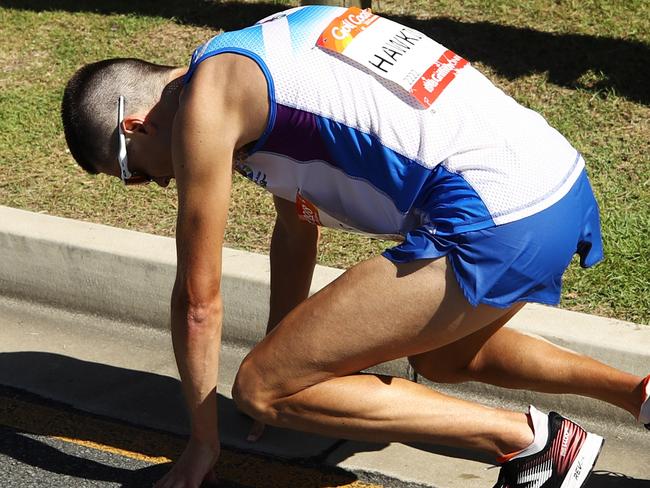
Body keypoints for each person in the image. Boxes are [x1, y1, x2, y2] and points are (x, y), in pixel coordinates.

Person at [60, 5, 649, 488]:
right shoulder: (255, 55)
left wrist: (202, 443)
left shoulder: (206, 102)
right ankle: (637, 393)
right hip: (555, 182)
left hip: (499, 213)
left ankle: (533, 443)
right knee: (440, 357)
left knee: (259, 387)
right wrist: (289, 354)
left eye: (129, 172)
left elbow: (197, 301)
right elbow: (296, 228)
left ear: (134, 126)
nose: (152, 184)